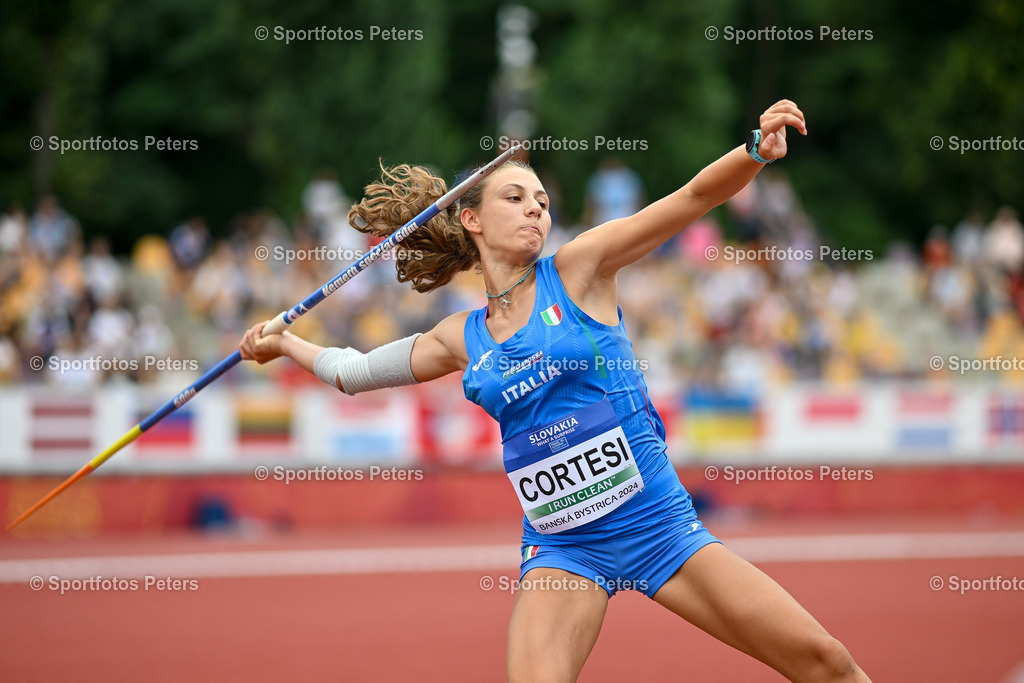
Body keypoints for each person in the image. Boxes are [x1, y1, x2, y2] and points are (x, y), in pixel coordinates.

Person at [239, 100, 869, 682]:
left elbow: (692, 198)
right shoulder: (461, 337)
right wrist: (285, 344)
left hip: (660, 529)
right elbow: (355, 372)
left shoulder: (580, 269)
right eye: (515, 197)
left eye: (541, 199)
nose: (536, 208)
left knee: (825, 662)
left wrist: (753, 152)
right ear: (471, 218)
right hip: (564, 549)